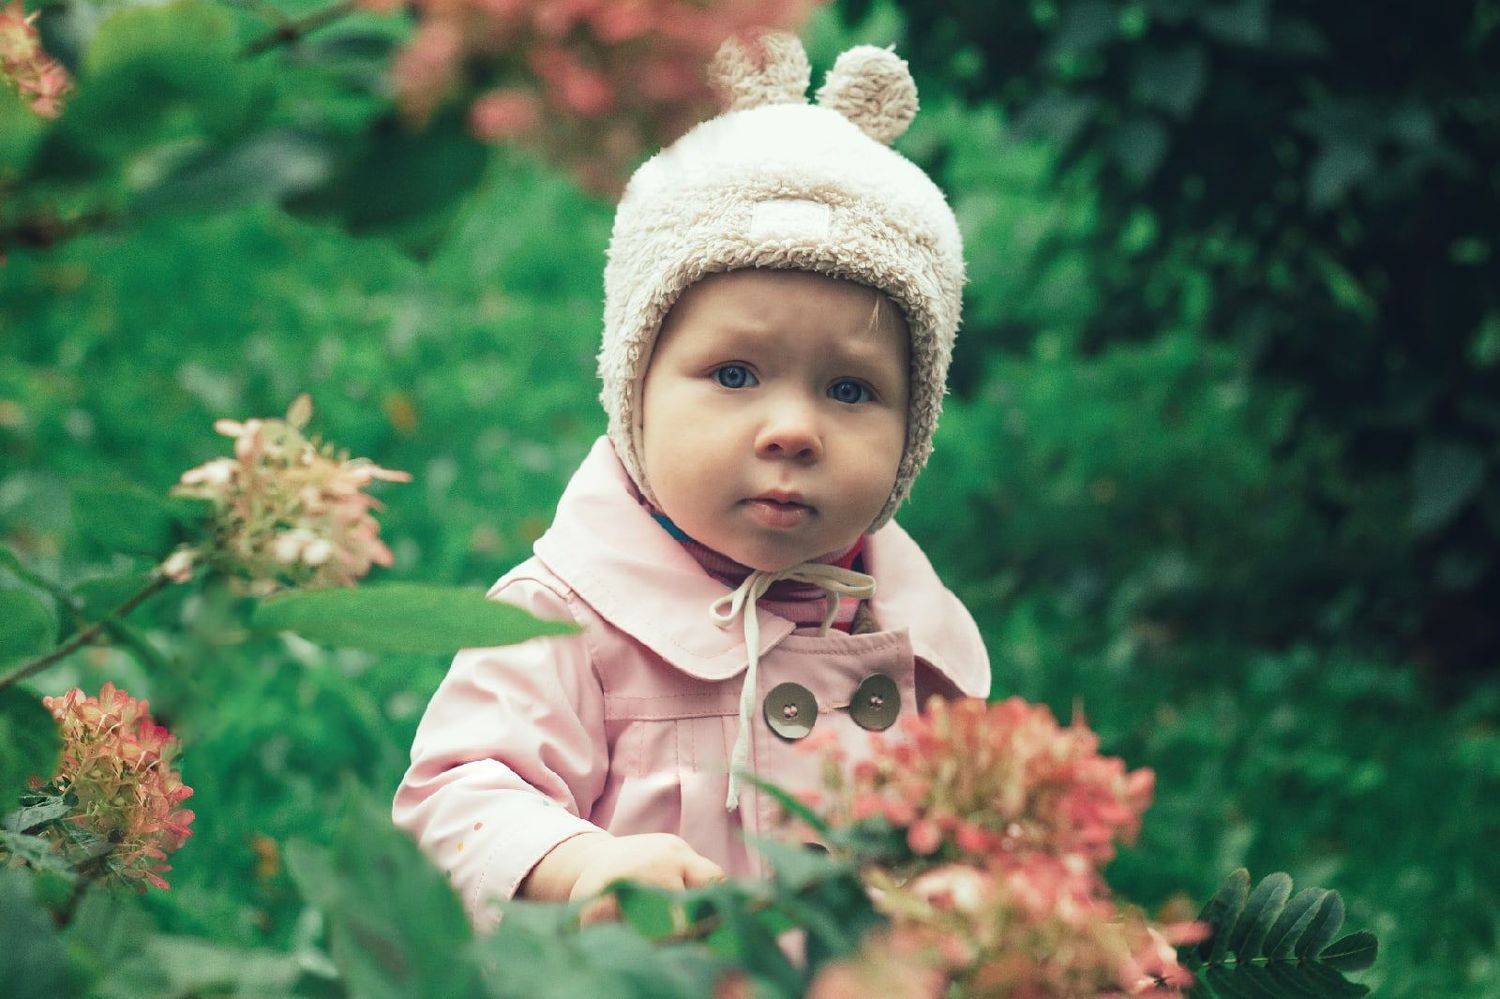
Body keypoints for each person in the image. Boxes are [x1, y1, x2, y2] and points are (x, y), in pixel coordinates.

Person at [392, 29, 991, 934]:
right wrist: (577, 864)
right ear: (634, 384)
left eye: (850, 389)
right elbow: (453, 800)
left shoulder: (914, 631)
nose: (793, 430)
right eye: (736, 374)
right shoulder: (564, 619)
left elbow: (984, 829)